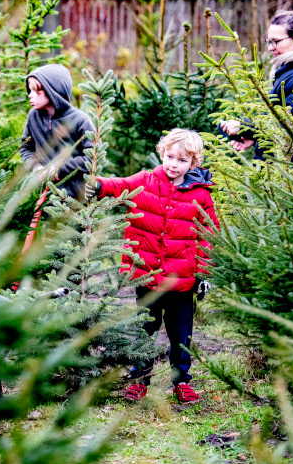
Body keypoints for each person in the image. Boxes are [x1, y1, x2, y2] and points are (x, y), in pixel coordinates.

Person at [87, 129, 219, 404]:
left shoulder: (201, 195)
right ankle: (139, 378)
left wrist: (205, 273)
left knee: (180, 335)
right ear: (162, 153)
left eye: (182, 160)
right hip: (145, 276)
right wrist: (97, 184)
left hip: (181, 282)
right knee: (144, 330)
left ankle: (181, 381)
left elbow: (209, 234)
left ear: (193, 163)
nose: (173, 164)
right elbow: (118, 185)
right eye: (169, 156)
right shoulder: (145, 181)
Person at [220, 4, 293, 159]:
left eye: (276, 41)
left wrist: (244, 126)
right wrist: (253, 136)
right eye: (269, 41)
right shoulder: (286, 73)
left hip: (292, 175)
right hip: (278, 170)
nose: (271, 48)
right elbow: (275, 117)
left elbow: (292, 127)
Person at [20, 64, 95, 202]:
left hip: (76, 200)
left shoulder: (80, 120)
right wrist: (36, 167)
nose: (30, 96)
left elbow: (93, 157)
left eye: (37, 91)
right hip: (44, 197)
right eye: (29, 90)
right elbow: (26, 148)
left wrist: (58, 168)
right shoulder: (33, 116)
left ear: (53, 91)